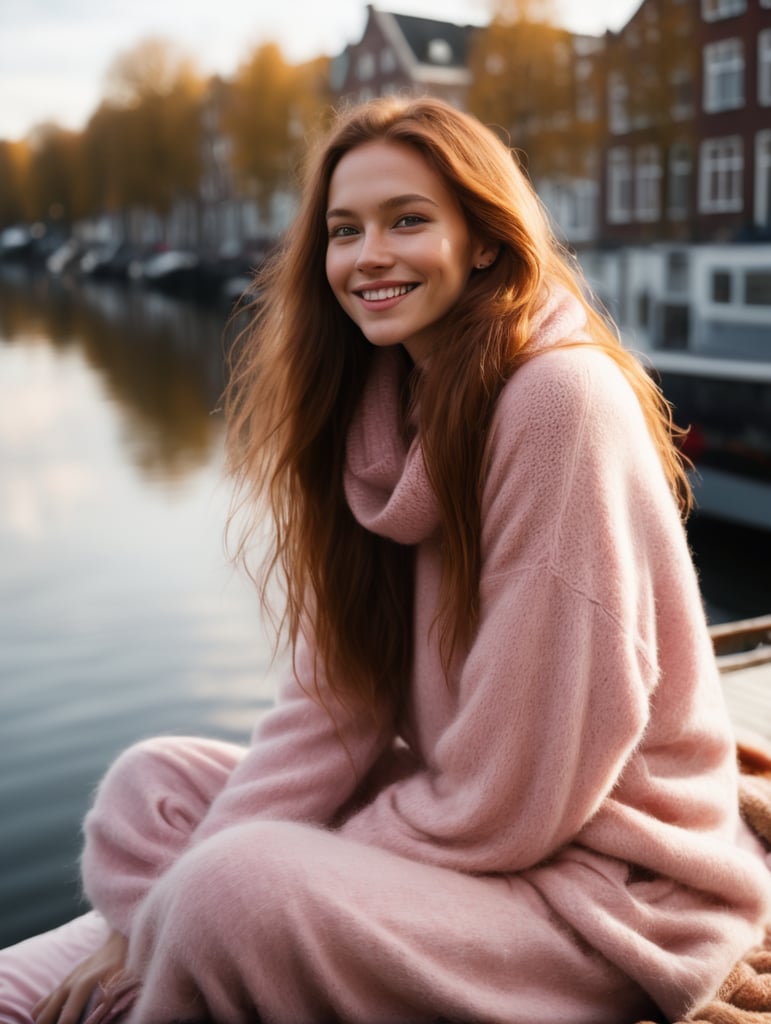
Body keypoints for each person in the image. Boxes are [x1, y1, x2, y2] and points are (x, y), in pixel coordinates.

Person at [1, 95, 769, 1024]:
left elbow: (513, 795)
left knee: (229, 888)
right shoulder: (378, 416)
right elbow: (337, 701)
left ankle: (181, 954)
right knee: (148, 787)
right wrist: (158, 907)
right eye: (343, 229)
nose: (367, 255)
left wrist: (219, 882)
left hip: (609, 890)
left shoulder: (559, 405)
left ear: (483, 239)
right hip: (480, 830)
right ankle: (160, 953)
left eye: (407, 220)